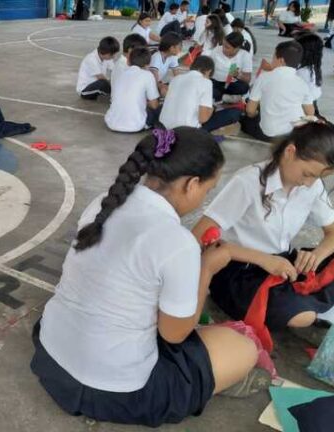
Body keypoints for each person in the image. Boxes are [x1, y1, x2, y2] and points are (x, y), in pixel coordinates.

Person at [32, 127, 264, 427]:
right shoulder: (176, 241)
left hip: (51, 358)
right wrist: (205, 269)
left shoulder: (104, 202)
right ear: (192, 184)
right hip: (115, 390)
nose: (205, 197)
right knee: (243, 349)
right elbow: (174, 335)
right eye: (208, 189)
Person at [193, 122, 334, 338]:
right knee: (296, 315)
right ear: (290, 152)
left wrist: (316, 255)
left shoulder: (311, 186)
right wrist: (265, 260)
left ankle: (327, 310)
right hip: (240, 272)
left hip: (284, 263)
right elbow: (199, 235)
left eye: (317, 178)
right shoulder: (248, 182)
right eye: (307, 174)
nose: (309, 183)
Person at [241, 41, 313, 142]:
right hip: (294, 134)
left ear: (281, 60)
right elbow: (310, 112)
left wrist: (255, 114)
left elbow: (250, 110)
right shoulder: (302, 83)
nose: (272, 60)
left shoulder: (264, 77)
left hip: (269, 134)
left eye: (273, 57)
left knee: (245, 121)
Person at [160, 56, 242, 132]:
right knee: (234, 113)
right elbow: (203, 118)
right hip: (186, 131)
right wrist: (212, 108)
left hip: (163, 127)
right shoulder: (206, 82)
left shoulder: (176, 79)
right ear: (209, 71)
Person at [105, 47, 160, 132]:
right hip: (135, 126)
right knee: (160, 109)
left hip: (111, 123)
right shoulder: (147, 75)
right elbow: (154, 105)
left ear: (129, 61)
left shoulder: (122, 73)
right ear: (148, 64)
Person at [207, 32, 252, 102]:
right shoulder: (217, 50)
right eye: (223, 45)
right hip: (216, 82)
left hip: (232, 84)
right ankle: (225, 97)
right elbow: (208, 67)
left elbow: (248, 79)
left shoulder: (245, 55)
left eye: (227, 47)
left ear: (237, 48)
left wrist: (238, 75)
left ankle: (222, 97)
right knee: (210, 89)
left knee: (244, 87)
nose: (223, 49)